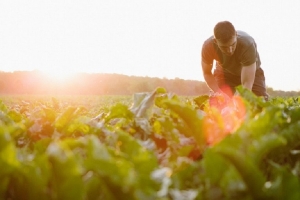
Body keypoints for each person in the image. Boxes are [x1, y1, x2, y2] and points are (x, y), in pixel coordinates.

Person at [201, 21, 268, 100]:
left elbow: (246, 84)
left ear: (236, 35)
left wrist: (236, 101)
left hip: (251, 74)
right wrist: (219, 92)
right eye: (224, 47)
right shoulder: (208, 47)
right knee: (218, 101)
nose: (229, 50)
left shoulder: (247, 44)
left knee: (258, 102)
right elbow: (207, 73)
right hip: (225, 74)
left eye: (232, 45)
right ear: (216, 41)